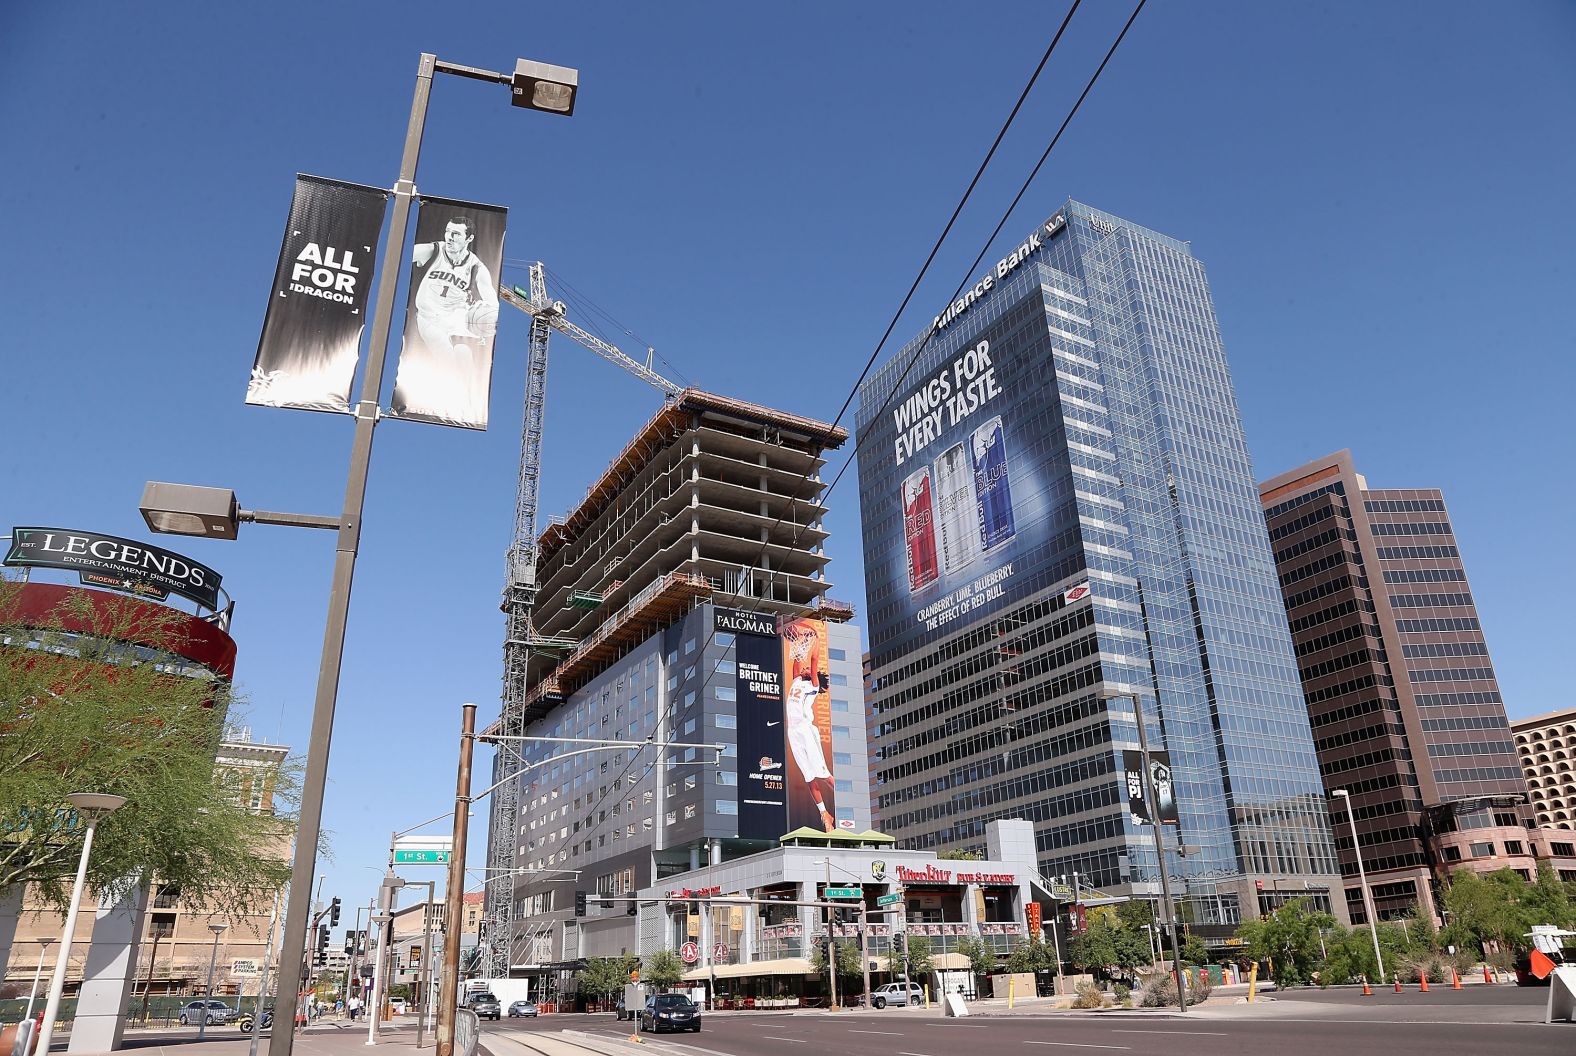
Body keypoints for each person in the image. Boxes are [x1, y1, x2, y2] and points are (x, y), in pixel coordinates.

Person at [395, 215, 499, 421]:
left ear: (469, 239)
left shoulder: (477, 268)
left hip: (457, 317)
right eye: (448, 232)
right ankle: (456, 398)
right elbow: (397, 253)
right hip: (429, 317)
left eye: (456, 234)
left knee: (464, 354)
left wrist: (487, 314)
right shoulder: (434, 250)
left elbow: (493, 304)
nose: (449, 237)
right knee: (447, 358)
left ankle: (469, 402)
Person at [783, 623, 838, 832]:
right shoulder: (797, 679)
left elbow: (814, 661)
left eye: (807, 670)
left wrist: (815, 638)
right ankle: (825, 814)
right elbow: (798, 660)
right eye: (804, 669)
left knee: (822, 774)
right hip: (793, 732)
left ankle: (844, 797)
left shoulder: (813, 684)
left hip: (807, 730)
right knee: (808, 776)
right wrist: (800, 642)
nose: (804, 668)